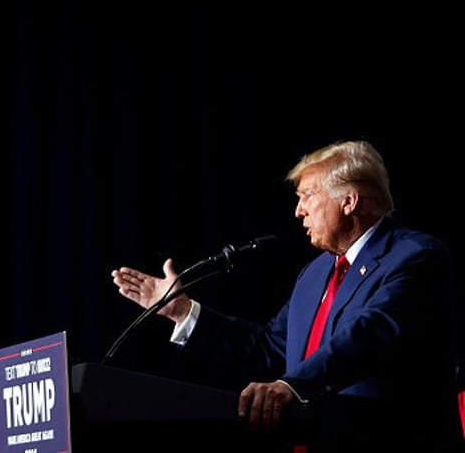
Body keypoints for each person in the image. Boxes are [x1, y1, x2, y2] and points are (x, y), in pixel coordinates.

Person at [111, 140, 463, 452]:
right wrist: (183, 312)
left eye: (308, 195)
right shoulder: (314, 275)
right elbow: (270, 347)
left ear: (349, 201)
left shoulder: (415, 256)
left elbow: (368, 335)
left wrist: (291, 386)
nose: (298, 210)